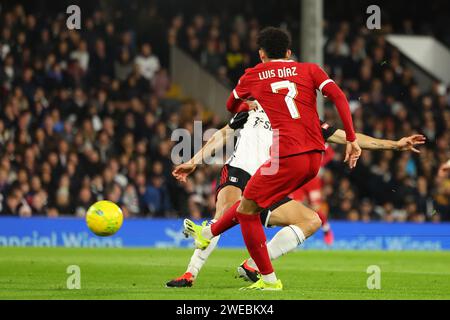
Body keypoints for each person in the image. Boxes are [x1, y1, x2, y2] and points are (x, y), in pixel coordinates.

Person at [183, 26, 361, 291]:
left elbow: (231, 105)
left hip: (287, 156)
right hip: (314, 157)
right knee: (248, 207)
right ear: (289, 53)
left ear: (261, 53)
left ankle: (261, 275)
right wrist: (351, 137)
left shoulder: (254, 75)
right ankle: (249, 267)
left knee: (245, 209)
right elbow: (337, 96)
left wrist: (248, 104)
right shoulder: (309, 69)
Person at [166, 108, 426, 287]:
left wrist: (395, 144)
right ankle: (190, 273)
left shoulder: (304, 118)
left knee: (311, 221)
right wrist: (193, 161)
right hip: (239, 172)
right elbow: (222, 134)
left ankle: (254, 265)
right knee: (224, 214)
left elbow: (348, 137)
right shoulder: (253, 107)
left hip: (268, 183)